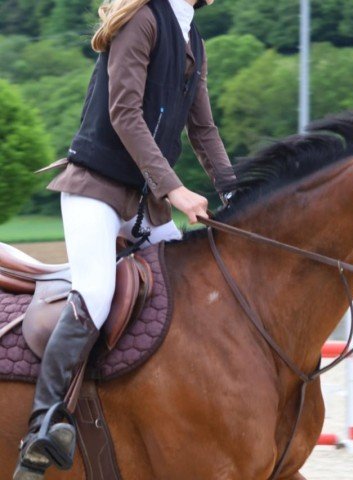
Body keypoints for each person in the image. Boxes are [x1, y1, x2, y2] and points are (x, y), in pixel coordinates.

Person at [13, 0, 235, 477]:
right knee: (95, 292)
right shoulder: (143, 19)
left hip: (142, 203)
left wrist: (235, 193)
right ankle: (43, 423)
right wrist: (175, 188)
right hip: (95, 189)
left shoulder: (192, 35)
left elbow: (203, 128)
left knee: (192, 283)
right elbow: (125, 113)